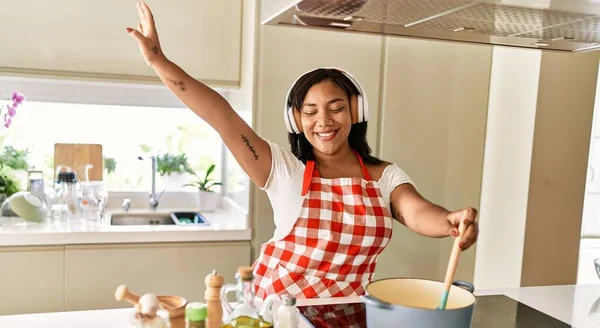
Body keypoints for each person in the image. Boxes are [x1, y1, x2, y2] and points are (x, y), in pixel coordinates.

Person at [127, 2, 479, 300]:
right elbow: (222, 115)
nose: (324, 121)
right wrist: (159, 62)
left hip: (348, 318)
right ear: (297, 120)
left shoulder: (384, 176)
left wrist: (449, 222)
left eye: (336, 107)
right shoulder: (283, 170)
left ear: (355, 112)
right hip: (280, 317)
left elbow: (417, 212)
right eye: (310, 111)